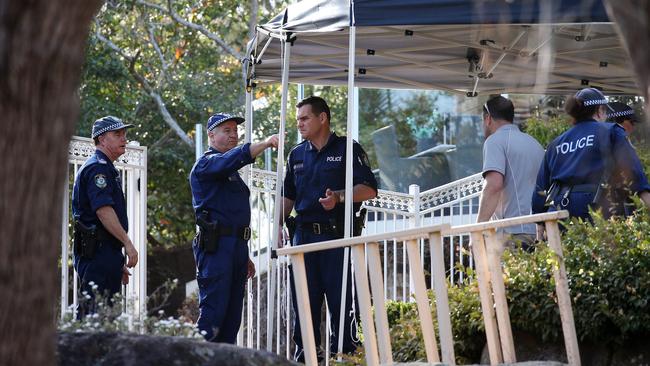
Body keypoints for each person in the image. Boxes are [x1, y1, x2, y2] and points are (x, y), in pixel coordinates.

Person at [279, 96, 378, 362]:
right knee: (304, 304)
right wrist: (277, 225)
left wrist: (339, 196)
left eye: (304, 118)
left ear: (322, 118)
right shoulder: (296, 154)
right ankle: (307, 358)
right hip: (303, 238)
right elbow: (287, 196)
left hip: (337, 237)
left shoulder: (348, 148)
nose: (299, 124)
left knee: (342, 303)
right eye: (298, 119)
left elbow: (369, 189)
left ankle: (344, 358)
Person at [189, 112, 278, 343]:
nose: (233, 135)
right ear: (210, 135)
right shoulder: (207, 164)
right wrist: (266, 143)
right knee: (213, 316)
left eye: (235, 131)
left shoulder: (230, 174)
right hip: (217, 248)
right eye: (226, 131)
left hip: (235, 248)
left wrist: (244, 252)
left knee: (231, 319)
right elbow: (233, 158)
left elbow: (234, 216)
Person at [532, 88, 650, 222]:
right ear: (600, 110)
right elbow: (633, 173)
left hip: (561, 215)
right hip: (600, 212)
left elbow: (540, 191)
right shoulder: (611, 131)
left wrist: (540, 228)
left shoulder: (555, 144)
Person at [72, 116, 139, 317]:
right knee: (92, 317)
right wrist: (128, 243)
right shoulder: (98, 168)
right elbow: (103, 211)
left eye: (124, 134)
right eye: (117, 134)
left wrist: (116, 261)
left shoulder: (106, 167)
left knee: (107, 317)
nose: (123, 139)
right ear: (102, 139)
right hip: (97, 253)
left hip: (105, 252)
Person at [477, 96, 544, 251]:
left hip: (511, 232)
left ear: (488, 119)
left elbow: (493, 186)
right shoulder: (535, 144)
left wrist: (478, 229)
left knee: (502, 276)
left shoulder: (494, 141)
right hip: (538, 230)